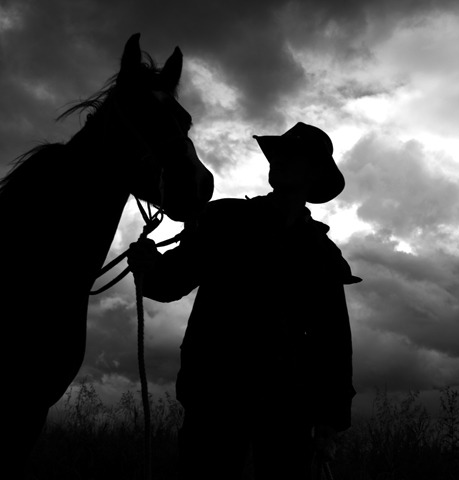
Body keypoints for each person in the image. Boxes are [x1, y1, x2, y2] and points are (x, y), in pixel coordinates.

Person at [129, 122, 360, 479]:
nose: (278, 160)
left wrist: (331, 415)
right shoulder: (223, 220)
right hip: (216, 395)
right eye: (277, 153)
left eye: (292, 155)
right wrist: (149, 268)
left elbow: (333, 338)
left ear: (314, 174)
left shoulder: (323, 253)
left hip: (290, 405)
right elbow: (170, 283)